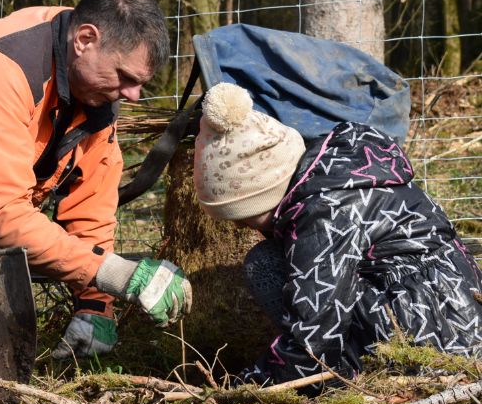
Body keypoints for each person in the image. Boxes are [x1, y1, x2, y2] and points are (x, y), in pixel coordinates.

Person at [0, 0, 193, 361]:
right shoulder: (6, 63)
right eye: (126, 77)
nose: (133, 96)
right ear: (84, 39)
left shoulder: (96, 91)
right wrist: (119, 275)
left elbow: (91, 206)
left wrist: (95, 307)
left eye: (140, 84)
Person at [192, 82, 482, 387]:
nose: (242, 227)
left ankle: (342, 383)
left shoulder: (323, 213)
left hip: (433, 339)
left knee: (264, 264)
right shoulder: (336, 175)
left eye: (247, 217)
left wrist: (250, 385)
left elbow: (315, 332)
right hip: (456, 316)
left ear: (266, 192)